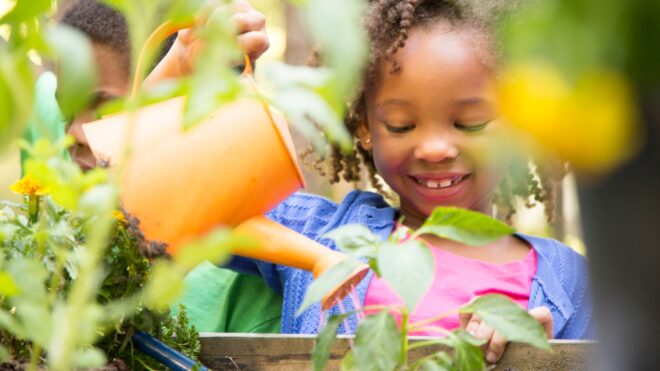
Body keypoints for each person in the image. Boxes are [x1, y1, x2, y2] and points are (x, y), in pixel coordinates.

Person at [227, 0, 593, 363]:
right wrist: (215, 74)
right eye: (401, 125)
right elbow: (204, 209)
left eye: (471, 123)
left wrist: (539, 357)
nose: (435, 149)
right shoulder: (318, 235)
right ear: (365, 128)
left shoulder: (573, 284)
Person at [23, 0, 283, 333]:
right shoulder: (62, 153)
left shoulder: (246, 282)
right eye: (67, 112)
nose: (73, 134)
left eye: (106, 108)